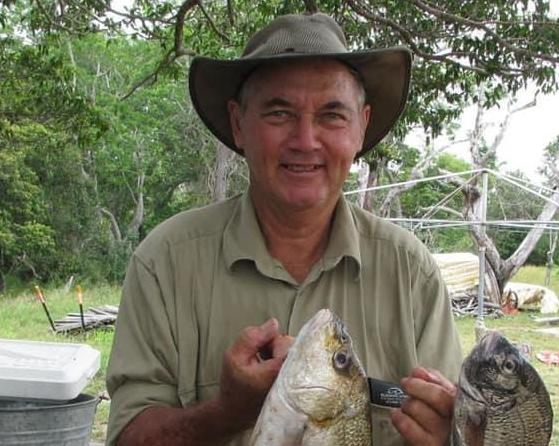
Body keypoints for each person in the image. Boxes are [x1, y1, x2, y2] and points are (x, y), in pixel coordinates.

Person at [106, 12, 463, 446]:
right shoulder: (164, 262)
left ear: (361, 126)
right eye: (279, 113)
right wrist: (224, 413)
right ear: (239, 124)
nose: (306, 140)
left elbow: (453, 424)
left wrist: (453, 436)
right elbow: (127, 436)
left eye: (332, 115)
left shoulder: (412, 273)